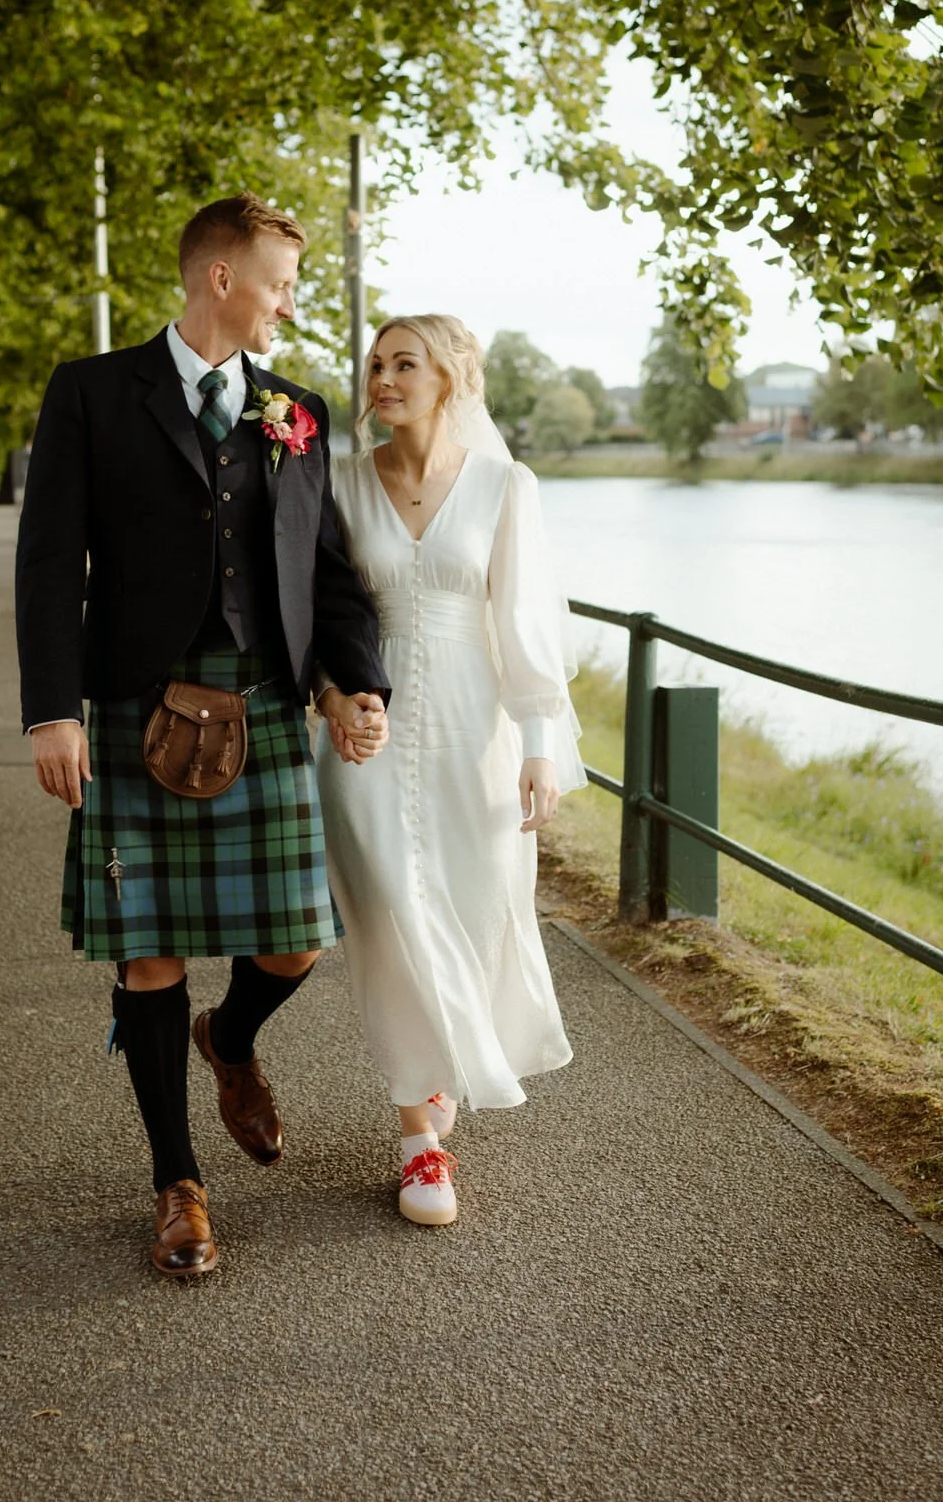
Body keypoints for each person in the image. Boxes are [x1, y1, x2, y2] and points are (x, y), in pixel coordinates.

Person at [15, 193, 389, 1278]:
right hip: (137, 698)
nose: (289, 302)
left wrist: (357, 683)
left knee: (295, 937)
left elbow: (329, 574)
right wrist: (51, 708)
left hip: (262, 699)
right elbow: (49, 563)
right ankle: (178, 1183)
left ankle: (229, 1038)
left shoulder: (296, 409)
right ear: (220, 278)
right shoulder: (90, 393)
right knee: (150, 955)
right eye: (279, 281)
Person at [313, 314, 585, 1227]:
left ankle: (441, 1099)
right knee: (392, 915)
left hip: (478, 732)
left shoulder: (508, 486)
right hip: (367, 732)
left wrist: (541, 748)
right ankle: (418, 1145)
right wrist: (330, 699)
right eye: (375, 365)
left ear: (451, 377)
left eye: (404, 364)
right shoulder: (340, 484)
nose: (382, 379)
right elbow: (316, 612)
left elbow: (526, 629)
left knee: (469, 914)